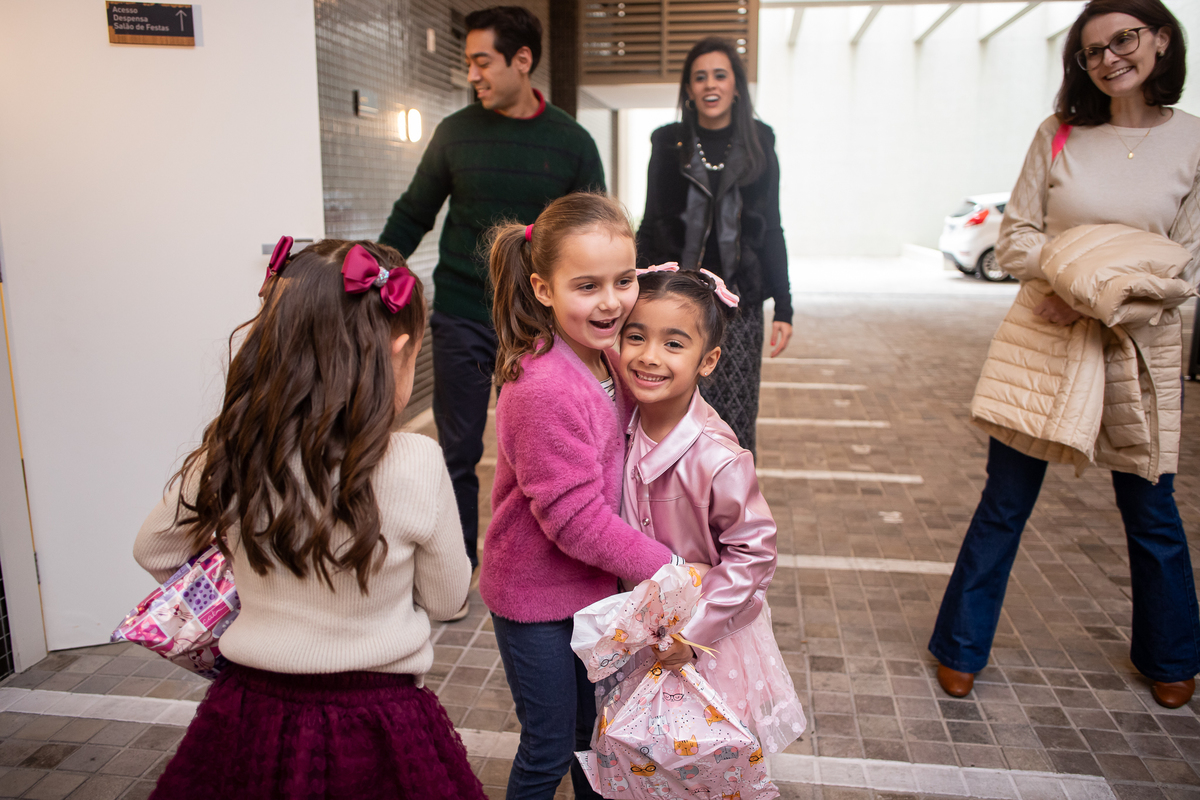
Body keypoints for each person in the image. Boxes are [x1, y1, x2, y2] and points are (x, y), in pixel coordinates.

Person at [133, 239, 482, 799]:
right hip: (379, 718)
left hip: (248, 712)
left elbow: (154, 549)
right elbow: (446, 600)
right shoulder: (415, 461)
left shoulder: (233, 450)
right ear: (397, 351)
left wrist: (257, 579)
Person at [928, 0, 1200, 709]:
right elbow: (1017, 239)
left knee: (1152, 509)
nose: (1109, 58)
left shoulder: (1194, 142)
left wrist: (1088, 295)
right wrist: (1084, 277)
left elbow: (1186, 270)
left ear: (1160, 39)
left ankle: (1172, 655)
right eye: (1092, 50)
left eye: (1124, 40)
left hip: (1139, 345)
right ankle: (960, 646)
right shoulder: (1058, 134)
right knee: (1004, 501)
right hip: (1045, 340)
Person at [379, 6, 605, 576]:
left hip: (536, 322)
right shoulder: (455, 133)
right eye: (469, 62)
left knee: (529, 450)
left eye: (482, 61)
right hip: (461, 313)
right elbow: (413, 214)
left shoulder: (572, 142)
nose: (472, 74)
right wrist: (370, 274)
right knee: (457, 450)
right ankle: (454, 570)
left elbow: (593, 233)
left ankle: (527, 564)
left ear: (521, 60)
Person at [479, 193, 686, 800]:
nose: (611, 301)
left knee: (594, 740)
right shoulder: (542, 386)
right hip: (536, 602)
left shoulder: (605, 359)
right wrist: (666, 568)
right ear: (543, 290)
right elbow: (574, 520)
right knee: (549, 749)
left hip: (592, 594)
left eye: (624, 280)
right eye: (587, 286)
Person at [618, 266, 807, 754]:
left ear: (708, 360)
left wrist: (695, 631)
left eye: (673, 343)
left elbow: (754, 553)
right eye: (635, 336)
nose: (649, 356)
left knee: (706, 760)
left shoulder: (718, 457)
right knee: (642, 761)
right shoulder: (618, 425)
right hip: (638, 633)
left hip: (706, 642)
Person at [636, 37, 793, 458]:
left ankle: (730, 498)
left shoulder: (760, 141)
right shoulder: (667, 143)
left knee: (735, 418)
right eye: (700, 77)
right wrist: (635, 288)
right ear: (689, 89)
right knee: (671, 413)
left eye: (720, 75)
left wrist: (784, 305)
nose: (710, 84)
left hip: (740, 302)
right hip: (676, 298)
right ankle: (669, 495)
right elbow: (650, 223)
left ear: (736, 86)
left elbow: (771, 227)